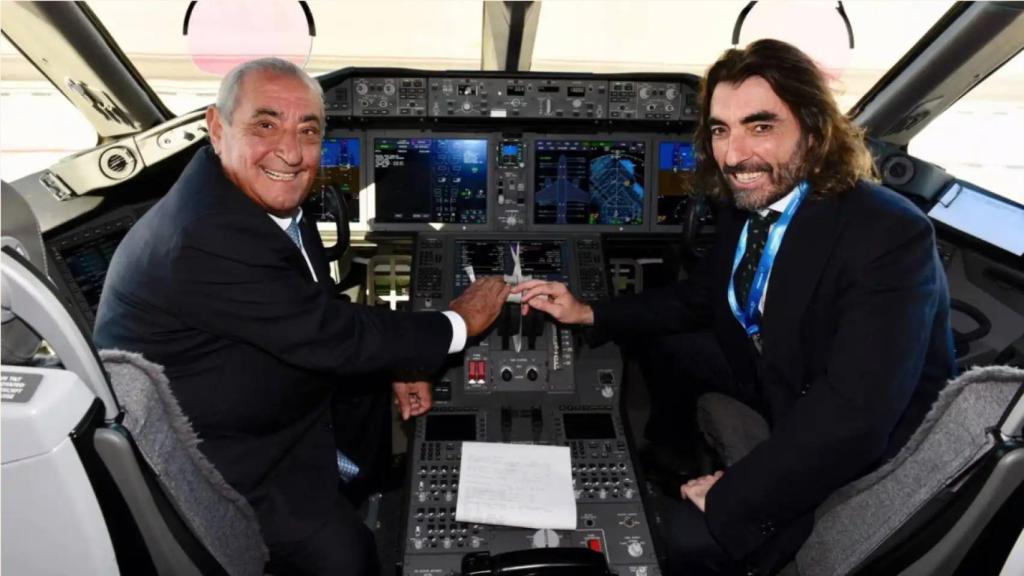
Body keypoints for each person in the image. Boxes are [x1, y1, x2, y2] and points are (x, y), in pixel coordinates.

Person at [513, 39, 955, 575]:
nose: (733, 154)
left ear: (815, 132)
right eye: (721, 130)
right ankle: (669, 455)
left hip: (858, 453)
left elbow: (852, 419)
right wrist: (590, 312)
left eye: (760, 126)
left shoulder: (888, 234)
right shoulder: (751, 201)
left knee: (655, 544)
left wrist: (733, 493)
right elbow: (701, 298)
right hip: (781, 369)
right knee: (668, 345)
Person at [94, 57, 509, 576]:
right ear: (217, 127)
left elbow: (313, 305)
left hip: (252, 396)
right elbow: (332, 335)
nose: (290, 153)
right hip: (231, 462)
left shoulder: (262, 203)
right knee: (350, 557)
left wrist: (402, 363)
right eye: (265, 125)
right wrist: (458, 323)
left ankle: (369, 488)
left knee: (370, 404)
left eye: (307, 131)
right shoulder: (207, 235)